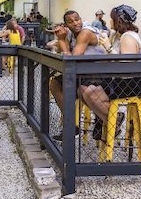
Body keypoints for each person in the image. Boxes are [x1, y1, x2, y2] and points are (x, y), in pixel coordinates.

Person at [78, 5, 141, 134]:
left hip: (132, 82)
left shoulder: (128, 37)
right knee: (81, 89)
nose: (109, 21)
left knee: (89, 92)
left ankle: (112, 119)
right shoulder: (118, 35)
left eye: (112, 19)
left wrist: (108, 47)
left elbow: (126, 64)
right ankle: (110, 120)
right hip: (120, 80)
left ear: (119, 21)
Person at [47, 10, 111, 140]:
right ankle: (71, 124)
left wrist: (61, 40)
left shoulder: (85, 33)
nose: (75, 23)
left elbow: (71, 60)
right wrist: (61, 38)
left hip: (98, 75)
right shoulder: (71, 34)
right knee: (54, 83)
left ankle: (105, 117)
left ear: (81, 19)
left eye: (77, 19)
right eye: (70, 22)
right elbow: (58, 49)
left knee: (75, 87)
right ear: (66, 25)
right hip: (83, 74)